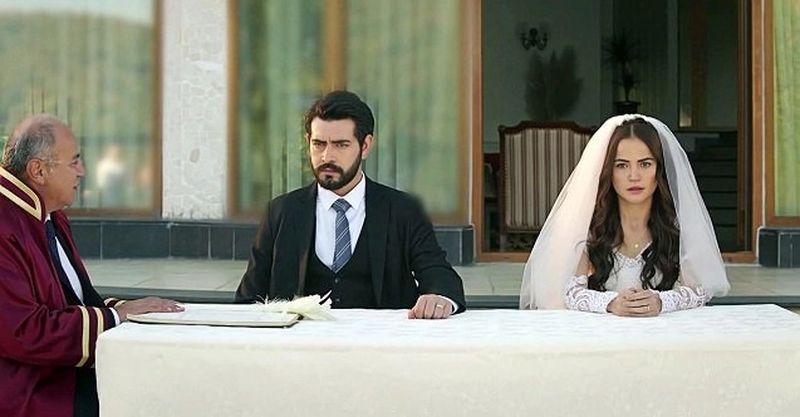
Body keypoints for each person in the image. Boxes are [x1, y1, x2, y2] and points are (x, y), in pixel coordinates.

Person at [0, 114, 183, 417]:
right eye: (74, 162)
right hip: (30, 394)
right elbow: (25, 331)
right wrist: (116, 316)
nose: (82, 171)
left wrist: (132, 311)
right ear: (38, 171)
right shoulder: (6, 224)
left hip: (59, 377)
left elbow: (74, 303)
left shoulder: (50, 216)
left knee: (166, 380)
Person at [236, 90, 466, 319]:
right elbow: (248, 298)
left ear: (365, 146)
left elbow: (438, 274)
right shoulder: (281, 212)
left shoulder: (402, 210)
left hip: (381, 338)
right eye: (318, 144)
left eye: (341, 145)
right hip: (302, 339)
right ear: (308, 142)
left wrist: (438, 297)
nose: (327, 156)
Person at [519, 115, 730, 315]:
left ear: (659, 170)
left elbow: (700, 290)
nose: (634, 176)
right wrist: (611, 303)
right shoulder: (589, 227)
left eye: (645, 164)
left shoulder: (679, 227)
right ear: (608, 171)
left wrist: (661, 301)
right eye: (621, 165)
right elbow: (570, 293)